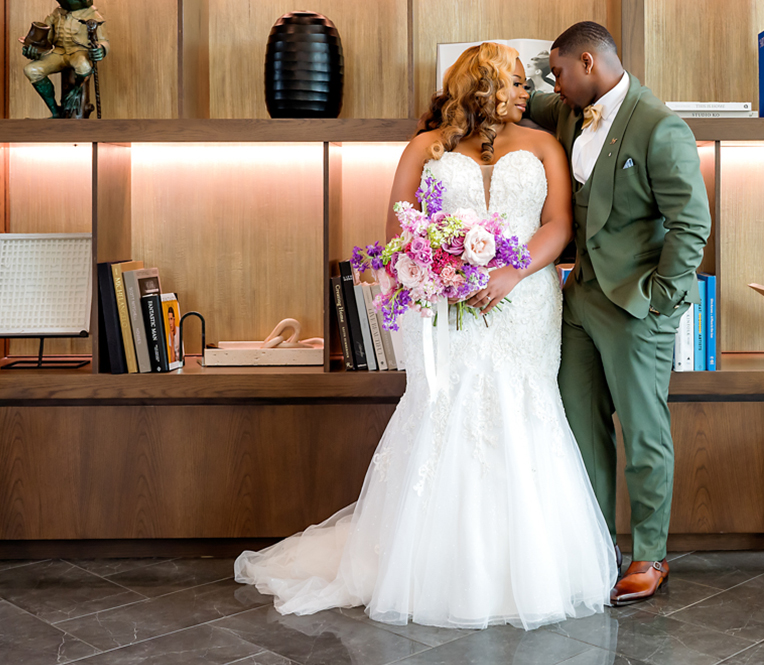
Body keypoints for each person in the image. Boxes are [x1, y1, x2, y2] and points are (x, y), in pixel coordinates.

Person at [235, 42, 617, 630]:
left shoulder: (544, 145)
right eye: (515, 83)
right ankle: (435, 568)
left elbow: (560, 226)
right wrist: (444, 273)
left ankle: (528, 569)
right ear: (482, 86)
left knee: (523, 410)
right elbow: (398, 233)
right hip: (443, 308)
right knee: (446, 412)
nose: (526, 94)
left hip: (525, 305)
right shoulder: (425, 147)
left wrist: (510, 273)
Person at [523, 22, 712, 605]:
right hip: (576, 300)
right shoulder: (567, 106)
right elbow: (523, 85)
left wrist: (662, 300)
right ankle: (595, 547)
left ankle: (650, 555)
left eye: (560, 72)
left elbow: (692, 224)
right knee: (582, 430)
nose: (553, 84)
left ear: (587, 62)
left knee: (644, 432)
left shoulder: (660, 126)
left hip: (636, 308)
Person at [22, 0, 108, 118]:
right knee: (31, 70)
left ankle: (77, 89)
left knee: (83, 66)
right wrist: (34, 50)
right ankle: (55, 111)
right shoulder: (56, 14)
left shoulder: (91, 14)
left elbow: (103, 40)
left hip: (79, 53)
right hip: (59, 53)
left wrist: (101, 49)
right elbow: (46, 40)